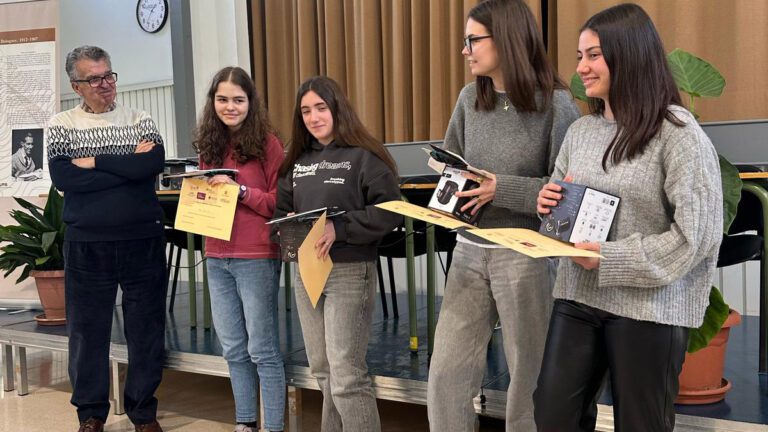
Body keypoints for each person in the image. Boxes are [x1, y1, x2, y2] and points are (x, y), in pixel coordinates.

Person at [532, 4, 723, 431]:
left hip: (650, 307)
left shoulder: (677, 133)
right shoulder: (581, 131)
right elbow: (561, 198)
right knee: (551, 415)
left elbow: (696, 237)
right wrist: (549, 202)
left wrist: (609, 258)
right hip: (577, 296)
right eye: (579, 56)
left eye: (593, 55)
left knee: (641, 424)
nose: (581, 67)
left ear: (630, 54)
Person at [426, 0, 580, 431]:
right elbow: (454, 165)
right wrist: (450, 194)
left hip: (526, 254)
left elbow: (568, 192)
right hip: (469, 249)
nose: (465, 50)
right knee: (446, 376)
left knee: (529, 377)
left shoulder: (557, 105)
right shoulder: (469, 99)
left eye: (473, 40)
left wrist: (503, 189)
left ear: (507, 39)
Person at [47, 45, 166, 432]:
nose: (105, 84)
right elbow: (65, 177)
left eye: (108, 75)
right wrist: (128, 166)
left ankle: (142, 412)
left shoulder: (140, 119)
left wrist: (96, 161)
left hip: (142, 240)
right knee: (87, 333)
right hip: (87, 245)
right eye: (94, 78)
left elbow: (151, 164)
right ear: (76, 86)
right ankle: (91, 414)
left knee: (146, 330)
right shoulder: (62, 124)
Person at [273, 75, 401, 432]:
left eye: (320, 108)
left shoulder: (365, 156)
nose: (313, 117)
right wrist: (286, 226)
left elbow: (390, 211)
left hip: (349, 270)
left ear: (337, 108)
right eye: (305, 111)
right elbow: (281, 212)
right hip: (307, 272)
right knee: (323, 371)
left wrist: (339, 228)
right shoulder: (296, 161)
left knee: (346, 375)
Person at [193, 66, 286, 432]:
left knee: (261, 349)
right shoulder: (210, 144)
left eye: (238, 100)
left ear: (251, 102)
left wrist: (242, 192)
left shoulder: (268, 144)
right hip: (217, 256)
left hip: (256, 256)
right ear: (212, 102)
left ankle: (273, 426)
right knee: (232, 348)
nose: (229, 107)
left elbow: (280, 203)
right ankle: (245, 423)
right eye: (222, 99)